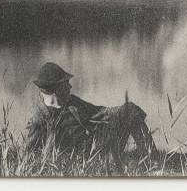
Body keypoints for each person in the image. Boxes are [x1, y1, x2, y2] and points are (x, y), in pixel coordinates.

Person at [25, 62, 157, 171]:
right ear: (57, 88)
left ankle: (152, 159)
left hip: (101, 150)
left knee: (130, 110)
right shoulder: (40, 118)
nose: (70, 86)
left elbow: (100, 111)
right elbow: (28, 154)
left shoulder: (73, 103)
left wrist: (123, 112)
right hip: (84, 163)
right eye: (66, 83)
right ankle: (149, 163)